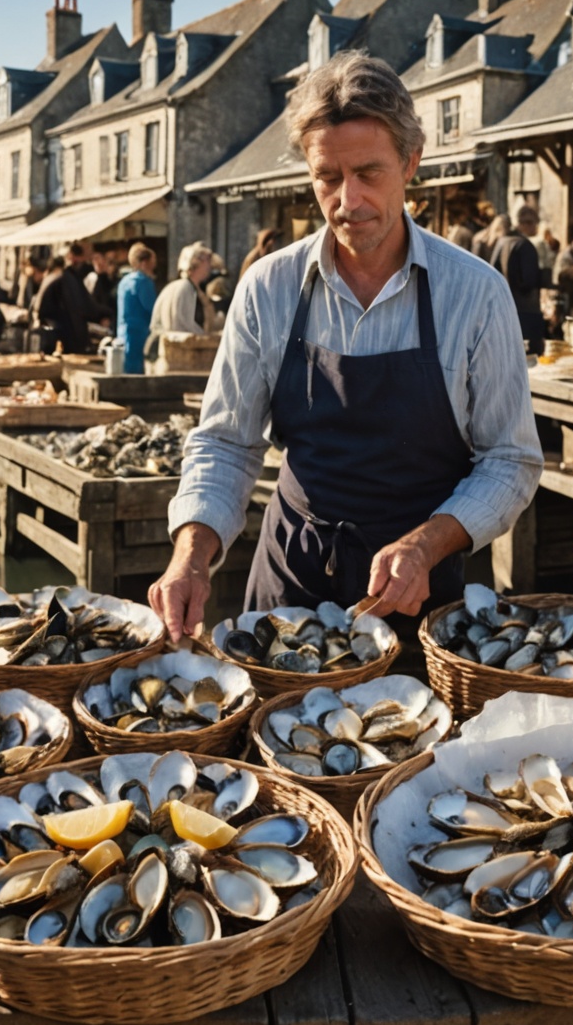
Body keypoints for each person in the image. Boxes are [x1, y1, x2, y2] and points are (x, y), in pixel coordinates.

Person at [150, 50, 541, 666]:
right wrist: (191, 556)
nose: (347, 200)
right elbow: (226, 443)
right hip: (289, 589)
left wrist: (425, 545)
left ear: (411, 163)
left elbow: (510, 460)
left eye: (368, 173)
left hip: (422, 601)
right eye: (327, 177)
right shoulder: (267, 287)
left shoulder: (476, 293)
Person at [490, 206, 547, 353]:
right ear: (523, 223)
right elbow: (529, 281)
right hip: (525, 310)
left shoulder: (503, 241)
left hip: (504, 306)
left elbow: (492, 271)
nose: (535, 227)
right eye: (533, 223)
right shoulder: (524, 245)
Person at [151, 241, 223, 339]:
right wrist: (205, 337)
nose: (210, 266)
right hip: (180, 346)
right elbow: (183, 325)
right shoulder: (185, 287)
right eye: (207, 261)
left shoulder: (192, 288)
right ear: (197, 263)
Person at [115, 243, 158, 374]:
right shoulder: (143, 282)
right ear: (144, 263)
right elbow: (152, 308)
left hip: (123, 332)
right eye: (152, 264)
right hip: (140, 334)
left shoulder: (124, 281)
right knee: (138, 372)